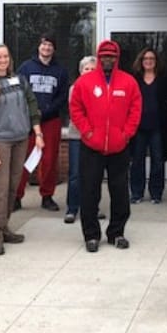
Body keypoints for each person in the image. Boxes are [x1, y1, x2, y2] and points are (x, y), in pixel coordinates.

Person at [69, 40, 141, 252]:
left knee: (120, 192)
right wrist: (87, 132)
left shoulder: (128, 82)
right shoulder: (85, 82)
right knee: (89, 192)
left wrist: (126, 134)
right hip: (91, 146)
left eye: (111, 56)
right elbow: (76, 109)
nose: (107, 60)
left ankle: (116, 233)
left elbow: (135, 110)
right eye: (104, 56)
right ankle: (91, 235)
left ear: (117, 58)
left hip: (119, 147)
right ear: (99, 58)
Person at [0, 42, 43, 255]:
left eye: (5, 56)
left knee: (13, 186)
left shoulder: (20, 80)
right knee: (0, 186)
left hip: (21, 139)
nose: (2, 60)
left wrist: (38, 134)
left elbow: (32, 106)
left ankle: (4, 225)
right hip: (1, 141)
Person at [16, 33, 69, 212]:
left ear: (54, 49)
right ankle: (16, 197)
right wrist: (31, 113)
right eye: (44, 44)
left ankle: (47, 196)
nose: (46, 48)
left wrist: (45, 112)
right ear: (39, 47)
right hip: (27, 121)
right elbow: (18, 92)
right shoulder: (26, 67)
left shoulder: (60, 71)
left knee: (49, 160)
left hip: (50, 120)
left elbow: (62, 97)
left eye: (50, 45)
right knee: (23, 158)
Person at [130, 47, 167, 204]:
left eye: (151, 59)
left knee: (158, 161)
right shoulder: (134, 79)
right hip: (138, 126)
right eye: (146, 59)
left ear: (156, 61)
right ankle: (137, 193)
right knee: (137, 161)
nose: (148, 61)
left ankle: (156, 193)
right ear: (141, 61)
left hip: (158, 126)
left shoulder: (164, 79)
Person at [64, 55, 97, 224]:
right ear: (80, 71)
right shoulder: (74, 88)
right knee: (75, 174)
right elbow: (76, 113)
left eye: (93, 69)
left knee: (93, 174)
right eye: (86, 69)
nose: (89, 71)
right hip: (78, 135)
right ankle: (72, 208)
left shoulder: (101, 88)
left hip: (95, 137)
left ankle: (92, 208)